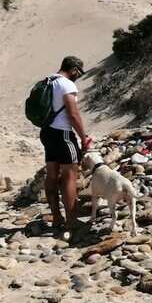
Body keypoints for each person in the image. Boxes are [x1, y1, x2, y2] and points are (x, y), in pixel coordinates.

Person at [40, 56, 93, 231]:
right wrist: (83, 137)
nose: (77, 76)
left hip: (46, 132)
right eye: (78, 72)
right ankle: (71, 221)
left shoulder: (48, 80)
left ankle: (56, 217)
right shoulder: (67, 84)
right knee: (70, 176)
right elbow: (73, 114)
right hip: (63, 133)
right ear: (73, 69)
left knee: (52, 175)